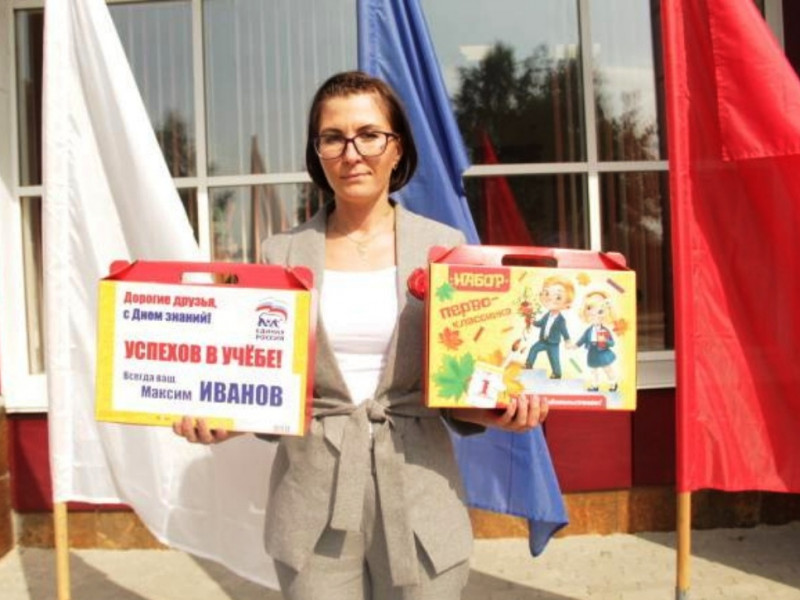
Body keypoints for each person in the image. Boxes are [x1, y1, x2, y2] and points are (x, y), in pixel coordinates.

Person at [173, 70, 548, 600]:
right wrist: (221, 420)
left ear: (398, 148)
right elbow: (268, 386)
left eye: (369, 135)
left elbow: (457, 386)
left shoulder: (446, 248)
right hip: (312, 506)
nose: (352, 153)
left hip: (420, 498)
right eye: (333, 137)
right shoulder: (279, 254)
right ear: (318, 152)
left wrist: (501, 410)